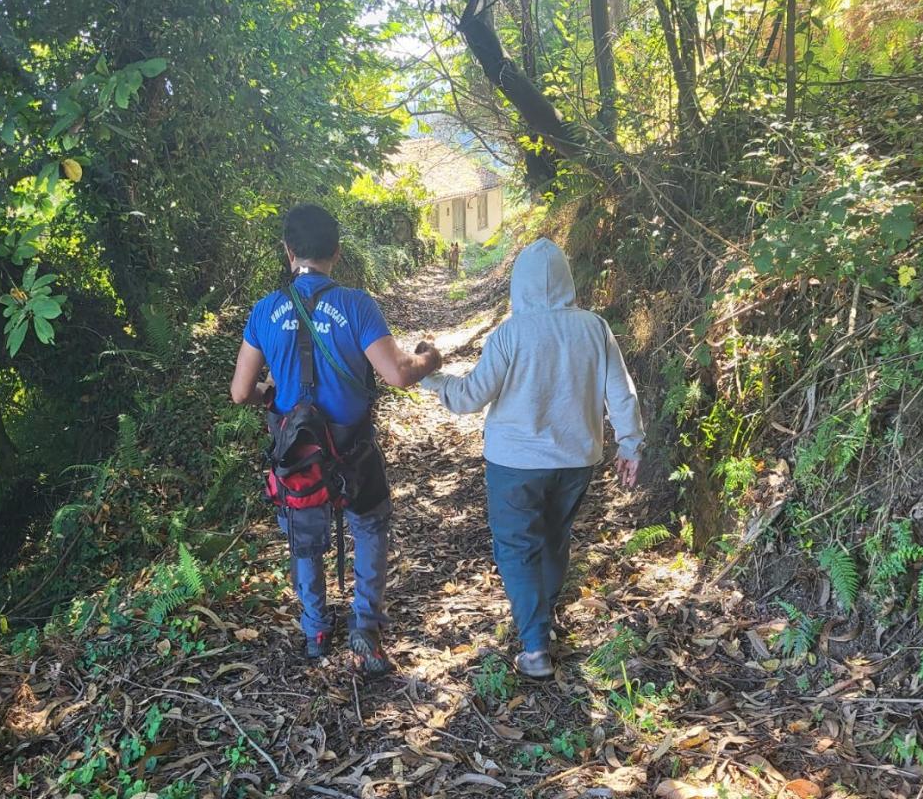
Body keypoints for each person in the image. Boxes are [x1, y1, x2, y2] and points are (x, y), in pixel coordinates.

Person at [231, 204, 442, 676]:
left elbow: (241, 391)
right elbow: (398, 374)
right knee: (369, 526)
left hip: (297, 456)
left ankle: (315, 631)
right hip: (354, 450)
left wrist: (273, 393)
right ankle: (365, 630)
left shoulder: (265, 311)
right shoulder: (355, 305)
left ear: (288, 252)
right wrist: (430, 357)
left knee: (305, 539)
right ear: (337, 253)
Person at [421, 238, 644, 680]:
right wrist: (630, 444)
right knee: (555, 537)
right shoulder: (594, 328)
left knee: (516, 548)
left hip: (514, 464)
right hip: (577, 457)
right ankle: (544, 615)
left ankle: (536, 645)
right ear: (566, 280)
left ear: (518, 285)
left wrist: (429, 379)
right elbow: (621, 392)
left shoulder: (509, 334)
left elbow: (469, 397)